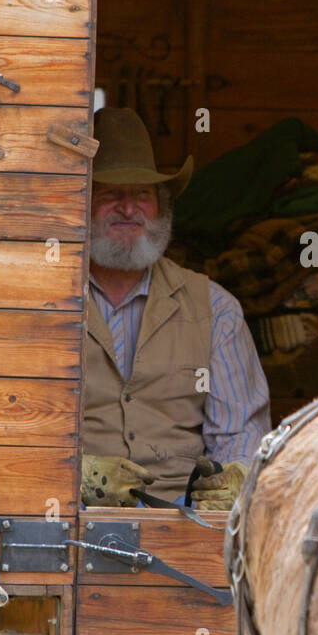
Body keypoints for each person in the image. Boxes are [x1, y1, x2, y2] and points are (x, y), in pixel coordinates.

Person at [81, 107, 270, 511]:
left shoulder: (215, 309)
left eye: (142, 196)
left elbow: (240, 434)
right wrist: (72, 474)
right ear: (81, 203)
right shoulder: (44, 300)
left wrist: (236, 476)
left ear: (162, 208)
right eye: (111, 193)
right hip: (64, 524)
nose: (128, 210)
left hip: (184, 528)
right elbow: (7, 426)